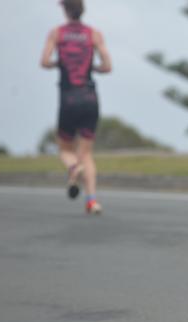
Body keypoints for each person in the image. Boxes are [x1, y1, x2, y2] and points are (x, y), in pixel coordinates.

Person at [40, 0, 112, 213]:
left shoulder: (57, 33)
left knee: (65, 148)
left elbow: (44, 61)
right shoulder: (94, 34)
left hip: (68, 97)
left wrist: (58, 63)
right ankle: (92, 200)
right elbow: (107, 66)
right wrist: (93, 67)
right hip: (90, 97)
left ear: (65, 9)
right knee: (87, 153)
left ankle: (73, 167)